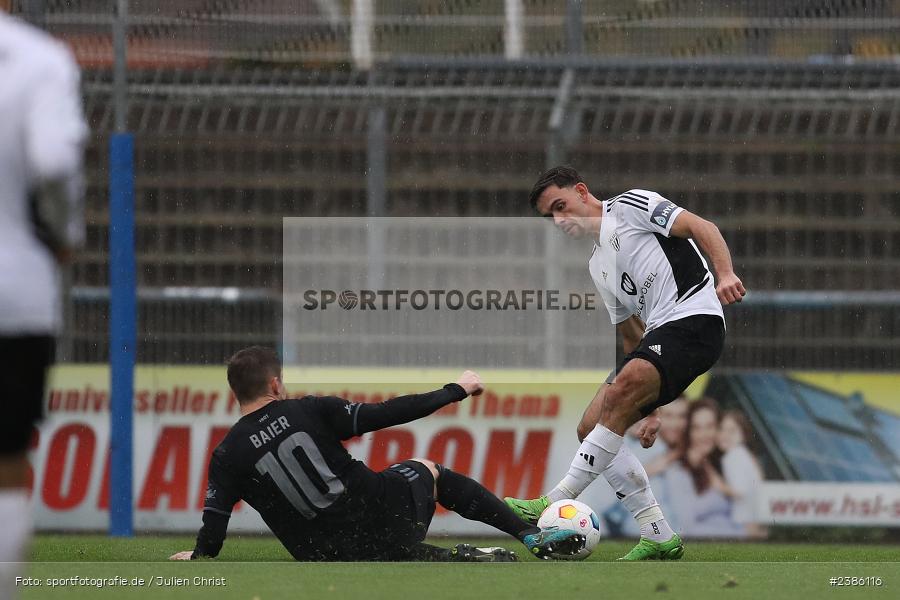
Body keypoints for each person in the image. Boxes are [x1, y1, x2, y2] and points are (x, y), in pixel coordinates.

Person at [505, 166, 745, 560]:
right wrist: (647, 409)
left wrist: (725, 274)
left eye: (562, 206)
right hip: (660, 338)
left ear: (583, 191)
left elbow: (704, 227)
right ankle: (657, 532)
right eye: (551, 217)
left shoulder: (631, 206)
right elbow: (633, 338)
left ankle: (552, 500)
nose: (560, 220)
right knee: (590, 426)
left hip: (695, 318)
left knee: (618, 397)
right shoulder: (598, 266)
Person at [170, 347, 585, 562]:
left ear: (235, 392)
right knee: (427, 469)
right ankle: (530, 535)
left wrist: (201, 555)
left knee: (366, 541)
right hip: (380, 517)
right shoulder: (309, 409)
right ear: (276, 385)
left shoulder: (227, 454)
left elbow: (215, 525)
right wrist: (455, 390)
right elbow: (390, 412)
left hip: (320, 554)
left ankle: (448, 556)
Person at [0, 5, 86, 596]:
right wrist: (64, 235)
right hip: (13, 290)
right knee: (6, 458)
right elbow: (54, 162)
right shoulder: (38, 58)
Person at [666, 398, 743, 537]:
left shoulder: (717, 465)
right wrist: (738, 534)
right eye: (697, 428)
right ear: (688, 432)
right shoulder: (678, 471)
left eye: (709, 426)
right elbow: (685, 529)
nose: (704, 434)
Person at [715, 410, 765, 538]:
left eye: (732, 431)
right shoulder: (744, 454)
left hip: (742, 522)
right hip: (751, 518)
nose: (724, 435)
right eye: (721, 429)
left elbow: (740, 491)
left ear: (743, 435)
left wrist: (715, 484)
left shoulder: (732, 456)